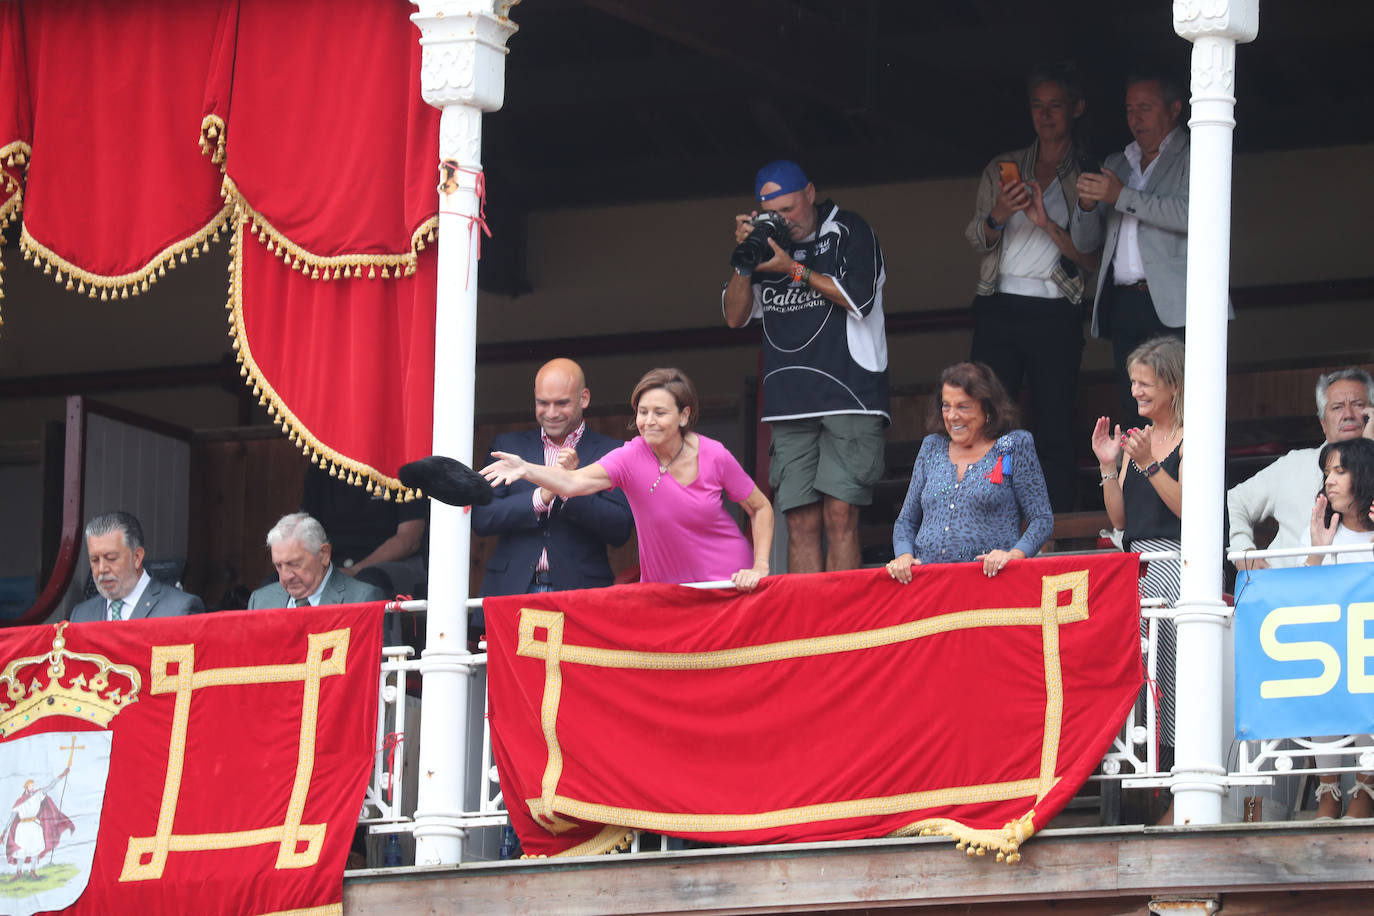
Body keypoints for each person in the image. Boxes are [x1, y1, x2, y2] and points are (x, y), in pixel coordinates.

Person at [722, 160, 888, 575]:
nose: (785, 221)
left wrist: (791, 268)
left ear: (811, 193)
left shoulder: (849, 229)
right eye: (773, 213)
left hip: (850, 394)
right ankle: (811, 630)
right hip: (788, 401)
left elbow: (859, 299)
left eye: (790, 209)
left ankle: (846, 629)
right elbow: (735, 317)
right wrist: (745, 262)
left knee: (840, 516)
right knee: (799, 520)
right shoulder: (766, 242)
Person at [481, 368, 773, 589]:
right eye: (643, 412)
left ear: (684, 416)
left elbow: (760, 508)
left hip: (726, 581)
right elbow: (573, 483)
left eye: (660, 412)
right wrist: (526, 468)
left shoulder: (714, 455)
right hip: (666, 592)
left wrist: (759, 566)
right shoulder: (631, 456)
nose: (649, 421)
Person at [966, 62, 1100, 512]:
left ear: (1076, 109)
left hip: (1055, 307)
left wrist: (1045, 222)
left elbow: (1090, 257)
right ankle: (990, 520)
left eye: (1055, 105)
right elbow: (974, 238)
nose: (1045, 115)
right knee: (989, 419)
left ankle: (1056, 526)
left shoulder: (1085, 173)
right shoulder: (1001, 168)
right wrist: (1000, 213)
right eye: (1037, 106)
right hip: (998, 303)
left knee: (1054, 423)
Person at [1070, 72, 1225, 426]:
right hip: (1124, 303)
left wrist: (1120, 196)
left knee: (1186, 409)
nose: (1135, 118)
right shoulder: (1117, 163)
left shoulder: (1197, 153)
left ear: (1174, 110)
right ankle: (1141, 482)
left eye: (1145, 108)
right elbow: (1084, 242)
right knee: (1135, 407)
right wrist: (1089, 205)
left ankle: (1189, 483)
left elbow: (1194, 214)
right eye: (1129, 109)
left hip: (1177, 305)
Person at [1090, 335, 1185, 823]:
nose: (1136, 393)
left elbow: (1189, 508)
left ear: (1173, 384)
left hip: (1178, 567)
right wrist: (1111, 466)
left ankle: (1176, 786)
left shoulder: (1195, 437)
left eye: (1145, 383)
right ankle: (1136, 785)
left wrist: (1149, 463)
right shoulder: (1135, 442)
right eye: (1132, 383)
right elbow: (1122, 521)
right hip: (1137, 568)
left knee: (1170, 682)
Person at [471, 358, 633, 603]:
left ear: (584, 399)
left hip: (582, 591)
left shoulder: (612, 451)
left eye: (562, 403)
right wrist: (541, 496)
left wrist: (569, 488)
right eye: (542, 403)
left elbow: (619, 529)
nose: (551, 413)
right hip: (510, 589)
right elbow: (483, 518)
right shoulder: (508, 446)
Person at [886, 362, 1053, 583]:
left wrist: (1014, 555)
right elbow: (906, 521)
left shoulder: (1013, 445)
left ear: (988, 408)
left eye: (963, 406)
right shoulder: (932, 446)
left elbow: (1041, 519)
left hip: (989, 583)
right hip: (928, 584)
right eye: (946, 406)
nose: (952, 416)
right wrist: (904, 556)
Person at [1228, 368, 1374, 570]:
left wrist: (1369, 451)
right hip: (1286, 592)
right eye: (1338, 407)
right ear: (1323, 422)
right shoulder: (1293, 465)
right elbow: (1233, 501)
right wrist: (1242, 550)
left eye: (1358, 405)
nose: (1348, 415)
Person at [1297, 436, 1374, 818]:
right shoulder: (1319, 529)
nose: (1330, 480)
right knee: (1319, 677)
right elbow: (1300, 598)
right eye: (1327, 472)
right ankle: (1329, 789)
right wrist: (1318, 550)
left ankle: (1365, 786)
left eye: (1340, 471)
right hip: (1329, 641)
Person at [302, 464, 429, 598]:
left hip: (394, 564)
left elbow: (409, 539)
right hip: (332, 565)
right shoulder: (322, 465)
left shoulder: (404, 464)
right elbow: (306, 533)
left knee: (367, 583)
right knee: (282, 583)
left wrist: (355, 570)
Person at [70, 510, 203, 622]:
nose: (102, 569)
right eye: (94, 560)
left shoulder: (179, 609)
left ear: (137, 557)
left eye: (111, 558)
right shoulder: (81, 615)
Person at [247, 512, 384, 609]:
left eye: (294, 564)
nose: (285, 576)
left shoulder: (362, 600)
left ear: (324, 554)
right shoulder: (260, 601)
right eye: (278, 566)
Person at [5, 769, 73, 881]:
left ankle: (32, 871)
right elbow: (12, 817)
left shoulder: (38, 795)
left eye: (33, 785)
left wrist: (61, 775)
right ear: (26, 788)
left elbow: (50, 786)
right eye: (30, 786)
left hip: (34, 826)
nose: (32, 787)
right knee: (21, 850)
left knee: (35, 849)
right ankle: (18, 872)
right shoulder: (20, 801)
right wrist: (4, 831)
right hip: (22, 828)